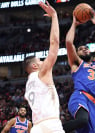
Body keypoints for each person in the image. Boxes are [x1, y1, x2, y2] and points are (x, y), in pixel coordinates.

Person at [63, 7, 95, 133]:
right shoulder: (77, 63)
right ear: (77, 53)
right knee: (82, 120)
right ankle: (53, 130)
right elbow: (69, 42)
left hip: (94, 103)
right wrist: (74, 24)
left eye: (86, 48)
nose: (85, 49)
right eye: (81, 49)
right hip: (80, 96)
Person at [23, 1, 64, 133]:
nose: (43, 62)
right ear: (35, 66)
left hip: (36, 127)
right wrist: (54, 17)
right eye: (40, 61)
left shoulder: (29, 83)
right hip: (51, 124)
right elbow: (54, 44)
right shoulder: (42, 74)